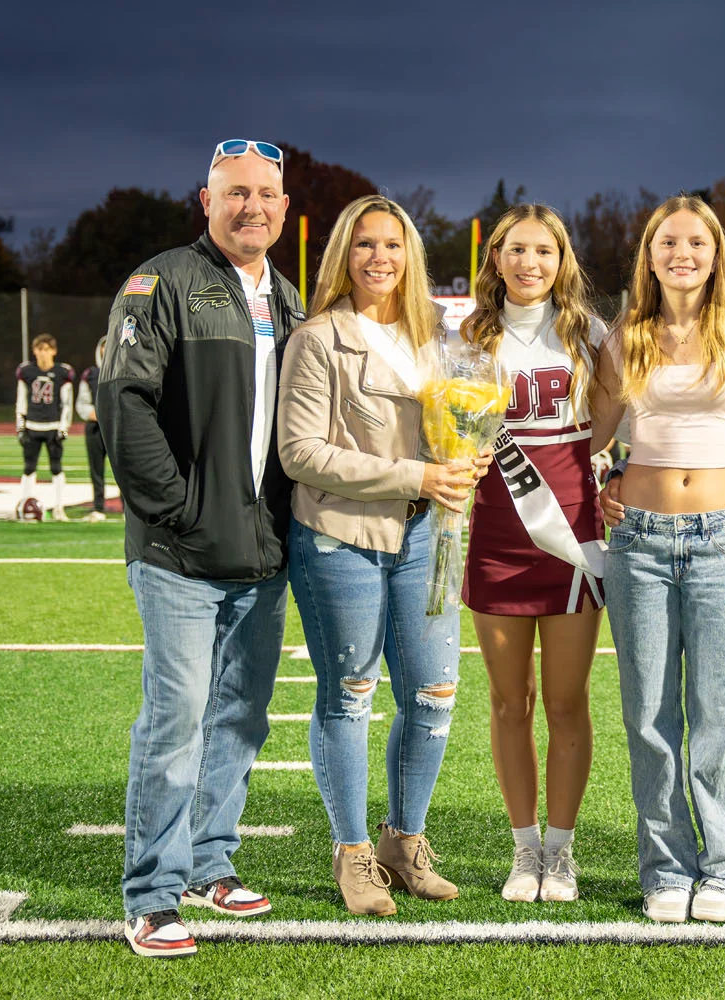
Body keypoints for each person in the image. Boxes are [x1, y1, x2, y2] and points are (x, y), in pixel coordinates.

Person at [99, 139, 304, 959]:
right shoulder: (163, 282)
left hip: (263, 551)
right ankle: (151, 894)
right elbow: (124, 400)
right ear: (206, 201)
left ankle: (210, 863)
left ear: (285, 211)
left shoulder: (289, 300)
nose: (252, 206)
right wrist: (179, 510)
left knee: (242, 715)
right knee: (177, 716)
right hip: (181, 551)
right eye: (236, 193)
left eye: (267, 195)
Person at [278, 194, 490, 918]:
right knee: (351, 694)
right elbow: (299, 452)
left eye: (393, 246)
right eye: (365, 244)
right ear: (345, 254)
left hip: (431, 535)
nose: (380, 258)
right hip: (343, 537)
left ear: (411, 256)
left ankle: (405, 843)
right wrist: (417, 476)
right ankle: (352, 853)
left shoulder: (438, 336)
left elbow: (454, 425)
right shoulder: (317, 338)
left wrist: (468, 457)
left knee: (433, 696)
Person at [595, 195, 725, 923]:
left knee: (722, 712)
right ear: (649, 255)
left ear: (715, 254)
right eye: (668, 241)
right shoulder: (625, 337)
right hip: (636, 542)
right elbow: (587, 435)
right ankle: (667, 868)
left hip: (721, 537)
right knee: (648, 714)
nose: (683, 253)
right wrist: (599, 483)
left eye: (696, 242)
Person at [460, 204, 611, 904]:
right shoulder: (463, 336)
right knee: (508, 701)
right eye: (516, 250)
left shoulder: (590, 333)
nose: (530, 264)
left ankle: (562, 850)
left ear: (562, 260)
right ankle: (524, 852)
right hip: (497, 531)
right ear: (495, 257)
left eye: (544, 252)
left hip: (570, 535)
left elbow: (619, 428)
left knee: (566, 700)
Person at [14, 333, 76, 520]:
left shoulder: (62, 372)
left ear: (54, 351)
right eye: (40, 349)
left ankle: (59, 506)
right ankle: (26, 504)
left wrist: (64, 427)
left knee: (56, 467)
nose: (43, 353)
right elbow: (21, 400)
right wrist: (20, 427)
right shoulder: (26, 372)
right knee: (28, 467)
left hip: (53, 426)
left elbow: (67, 402)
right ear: (34, 351)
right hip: (33, 425)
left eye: (47, 349)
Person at [76, 336, 111, 521]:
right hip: (95, 427)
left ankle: (128, 507)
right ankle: (99, 506)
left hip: (116, 427)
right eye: (104, 347)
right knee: (96, 469)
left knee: (124, 469)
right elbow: (81, 402)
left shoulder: (124, 370)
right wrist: (95, 414)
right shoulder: (90, 373)